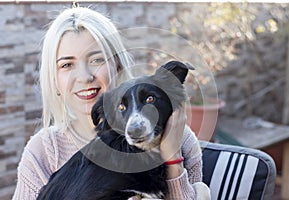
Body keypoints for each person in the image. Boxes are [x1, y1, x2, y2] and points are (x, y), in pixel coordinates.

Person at [13, 5, 209, 200]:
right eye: (66, 65)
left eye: (97, 60)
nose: (84, 77)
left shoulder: (181, 138)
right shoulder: (43, 151)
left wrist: (172, 158)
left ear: (118, 65)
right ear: (54, 79)